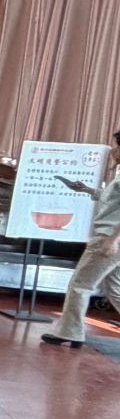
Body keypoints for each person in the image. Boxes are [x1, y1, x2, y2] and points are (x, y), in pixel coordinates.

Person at [43, 135, 120, 349]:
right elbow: (112, 200)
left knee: (80, 285)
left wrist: (113, 239)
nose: (113, 151)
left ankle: (70, 332)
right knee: (114, 288)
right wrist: (86, 189)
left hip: (108, 237)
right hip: (111, 237)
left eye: (116, 146)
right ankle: (71, 331)